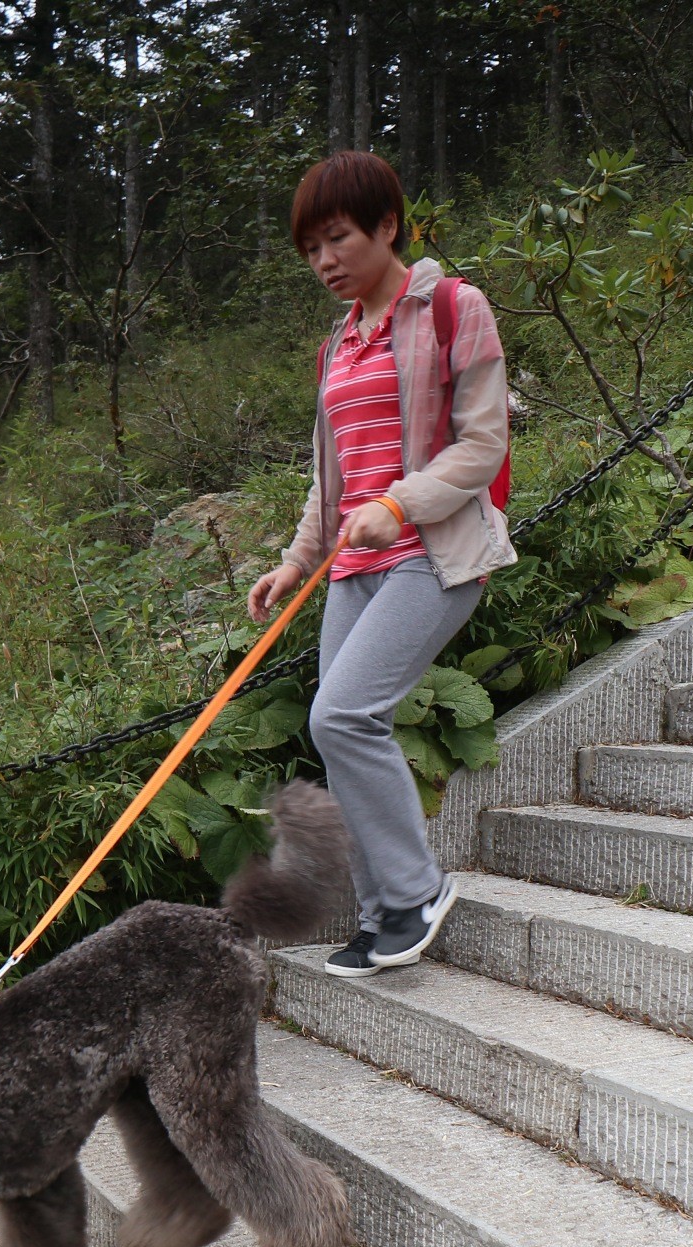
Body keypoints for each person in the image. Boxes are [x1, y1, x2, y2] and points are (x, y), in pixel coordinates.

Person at [247, 151, 514, 977]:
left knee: (342, 717)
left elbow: (484, 442)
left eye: (337, 239)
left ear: (387, 226)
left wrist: (398, 505)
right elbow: (332, 477)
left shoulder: (452, 308)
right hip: (352, 569)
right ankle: (378, 916)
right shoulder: (339, 345)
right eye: (311, 250)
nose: (324, 262)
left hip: (431, 555)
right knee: (338, 734)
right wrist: (297, 560)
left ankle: (416, 893)